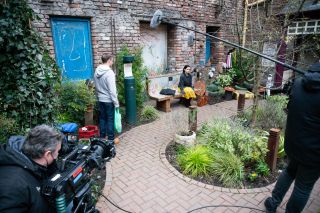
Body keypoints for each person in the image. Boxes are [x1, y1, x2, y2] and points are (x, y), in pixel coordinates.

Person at [264, 62, 320, 213]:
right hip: (314, 153)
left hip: (294, 143)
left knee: (289, 171)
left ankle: (273, 202)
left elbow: (291, 108)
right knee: (303, 186)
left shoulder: (299, 82)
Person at [0, 124, 63, 212]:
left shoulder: (35, 163)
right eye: (57, 152)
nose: (58, 155)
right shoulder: (14, 185)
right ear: (47, 154)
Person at [94, 54, 119, 141]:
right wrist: (116, 103)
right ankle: (111, 140)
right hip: (108, 100)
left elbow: (96, 86)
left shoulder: (97, 70)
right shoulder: (109, 72)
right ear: (108, 60)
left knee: (102, 119)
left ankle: (102, 138)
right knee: (110, 120)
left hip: (100, 99)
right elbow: (112, 90)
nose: (112, 62)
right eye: (112, 60)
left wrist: (99, 96)